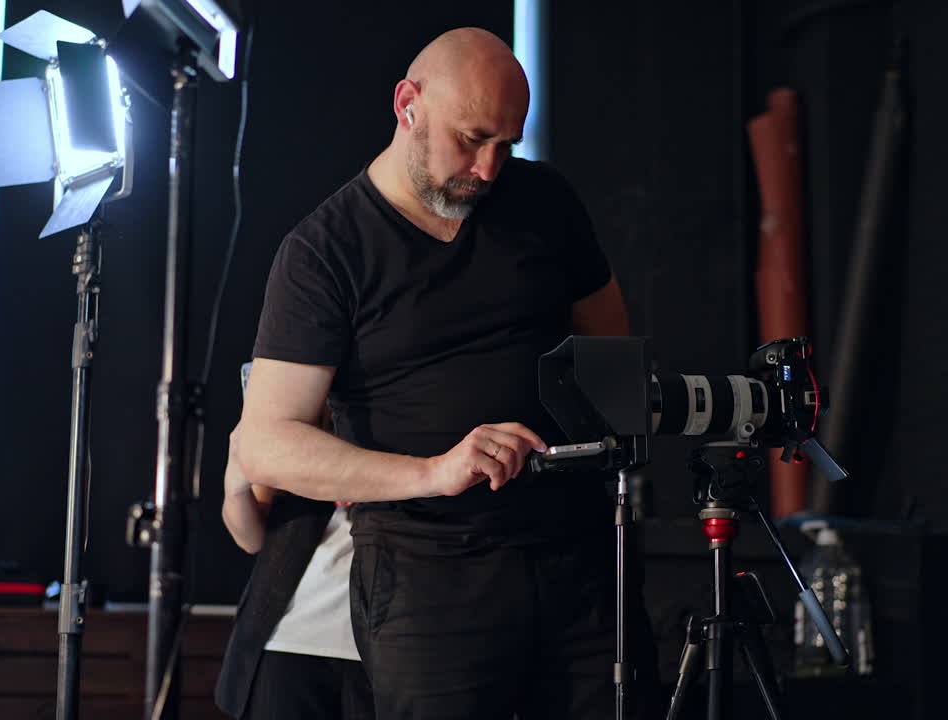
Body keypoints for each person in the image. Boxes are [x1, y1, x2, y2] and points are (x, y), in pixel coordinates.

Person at [230, 26, 659, 719]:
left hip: (581, 557)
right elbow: (267, 445)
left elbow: (612, 345)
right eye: (471, 138)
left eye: (506, 143)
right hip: (431, 574)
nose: (489, 168)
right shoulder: (325, 251)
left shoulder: (544, 200)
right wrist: (434, 470)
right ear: (408, 105)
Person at [216, 364, 373, 720]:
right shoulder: (299, 407)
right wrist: (235, 483)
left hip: (385, 643)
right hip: (289, 638)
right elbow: (251, 539)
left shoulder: (404, 400)